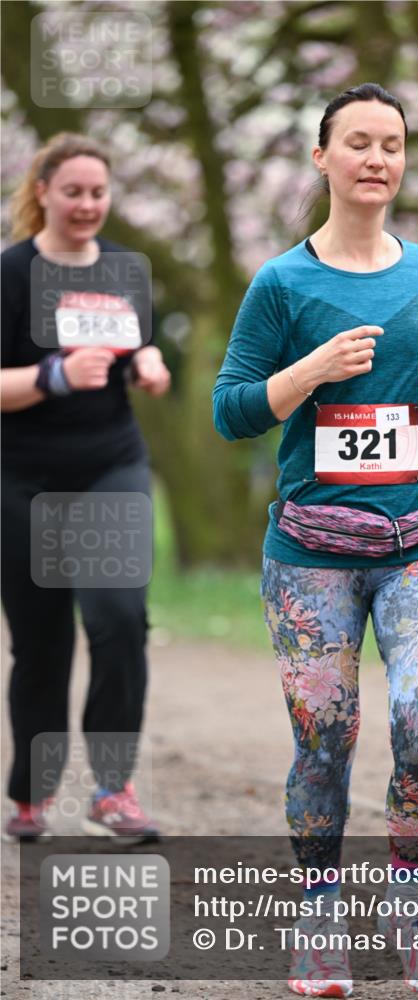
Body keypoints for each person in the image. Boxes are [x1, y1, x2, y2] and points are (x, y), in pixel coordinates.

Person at [213, 84, 418, 996]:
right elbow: (230, 411)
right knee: (325, 740)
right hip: (311, 554)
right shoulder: (282, 282)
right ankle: (318, 914)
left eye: (391, 144)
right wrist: (309, 372)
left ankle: (412, 902)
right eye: (356, 141)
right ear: (320, 158)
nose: (376, 158)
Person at [1, 133, 170, 842]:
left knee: (119, 620)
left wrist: (150, 363)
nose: (87, 205)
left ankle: (113, 788)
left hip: (109, 465)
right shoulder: (10, 274)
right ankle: (33, 797)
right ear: (43, 191)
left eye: (98, 192)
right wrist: (52, 377)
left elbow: (132, 351)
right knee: (41, 643)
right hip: (22, 475)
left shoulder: (126, 269)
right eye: (73, 191)